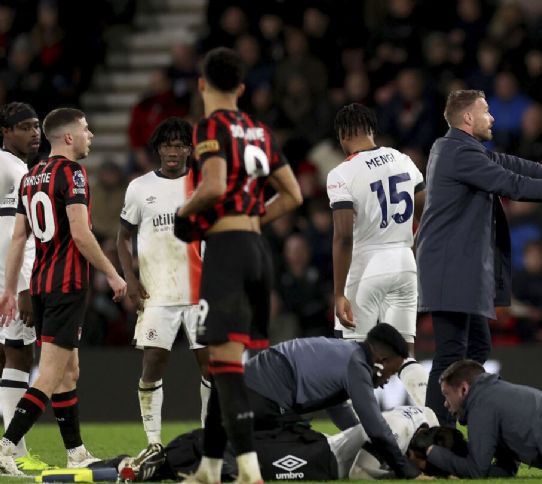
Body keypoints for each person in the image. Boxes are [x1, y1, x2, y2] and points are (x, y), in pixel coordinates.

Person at [416, 89, 542, 425]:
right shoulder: (457, 153)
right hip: (449, 267)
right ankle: (434, 437)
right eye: (485, 111)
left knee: (476, 349)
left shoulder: (459, 148)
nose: (491, 118)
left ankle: (463, 416)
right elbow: (510, 183)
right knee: (451, 354)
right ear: (467, 118)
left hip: (460, 268)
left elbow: (507, 163)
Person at [173, 47, 302, 484]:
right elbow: (293, 195)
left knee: (225, 368)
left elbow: (210, 186)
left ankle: (249, 469)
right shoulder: (259, 129)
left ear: (202, 84)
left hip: (227, 252)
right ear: (242, 88)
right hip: (258, 251)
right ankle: (210, 467)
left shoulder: (210, 126)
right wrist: (250, 220)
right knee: (223, 361)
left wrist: (184, 214)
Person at [0, 108, 128, 475]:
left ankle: (76, 452)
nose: (91, 136)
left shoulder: (31, 176)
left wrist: (11, 289)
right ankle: (6, 446)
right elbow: (80, 233)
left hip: (39, 284)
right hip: (65, 284)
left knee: (69, 371)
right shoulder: (72, 174)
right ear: (68, 137)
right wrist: (114, 275)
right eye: (86, 130)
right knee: (52, 373)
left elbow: (19, 238)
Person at [116, 118, 210, 464]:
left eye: (180, 145)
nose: (173, 151)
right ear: (157, 149)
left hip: (200, 292)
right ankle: (154, 441)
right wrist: (130, 278)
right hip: (157, 292)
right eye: (167, 145)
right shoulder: (139, 188)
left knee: (210, 367)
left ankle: (207, 438)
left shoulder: (203, 185)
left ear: (189, 149)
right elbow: (123, 237)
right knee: (154, 361)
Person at [326, 103, 428, 407]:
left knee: (355, 360)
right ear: (372, 130)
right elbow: (427, 210)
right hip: (404, 263)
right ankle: (428, 419)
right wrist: (409, 241)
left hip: (366, 266)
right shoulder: (403, 160)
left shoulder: (341, 173)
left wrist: (339, 293)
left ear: (343, 136)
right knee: (404, 355)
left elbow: (343, 237)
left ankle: (363, 438)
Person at [241, 323, 425, 479]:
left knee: (309, 443)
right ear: (381, 361)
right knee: (320, 458)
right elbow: (376, 427)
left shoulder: (348, 353)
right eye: (391, 373)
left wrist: (362, 444)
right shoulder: (357, 365)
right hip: (260, 397)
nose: (386, 382)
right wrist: (406, 470)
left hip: (252, 392)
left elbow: (339, 409)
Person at [117, 404, 439, 482]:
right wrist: (405, 473)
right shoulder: (402, 426)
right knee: (261, 465)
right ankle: (144, 463)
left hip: (318, 448)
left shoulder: (414, 420)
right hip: (319, 453)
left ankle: (130, 464)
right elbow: (359, 473)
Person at [0, 102, 51, 472]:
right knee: (19, 356)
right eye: (25, 127)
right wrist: (20, 286)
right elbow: (10, 236)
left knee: (7, 358)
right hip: (11, 279)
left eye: (36, 126)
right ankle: (13, 450)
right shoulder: (13, 171)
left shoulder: (16, 168)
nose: (34, 133)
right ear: (6, 131)